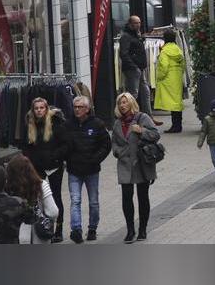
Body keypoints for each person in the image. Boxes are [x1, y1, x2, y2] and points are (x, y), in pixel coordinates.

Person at [111, 91, 162, 243]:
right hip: (125, 163)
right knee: (126, 198)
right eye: (120, 103)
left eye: (125, 102)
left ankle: (142, 229)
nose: (122, 105)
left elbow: (155, 134)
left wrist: (142, 131)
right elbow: (114, 141)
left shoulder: (142, 117)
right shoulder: (117, 122)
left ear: (131, 103)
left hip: (141, 163)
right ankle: (130, 230)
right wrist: (117, 152)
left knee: (142, 197)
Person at [64, 94, 111, 244]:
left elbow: (106, 145)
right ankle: (76, 230)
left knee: (93, 202)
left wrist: (96, 159)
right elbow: (63, 144)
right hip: (74, 170)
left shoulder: (97, 124)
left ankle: (92, 228)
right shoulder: (68, 124)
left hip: (91, 170)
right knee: (75, 200)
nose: (77, 110)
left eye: (80, 107)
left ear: (87, 108)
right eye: (75, 107)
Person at [21, 96, 69, 242]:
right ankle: (43, 227)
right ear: (33, 110)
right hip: (37, 168)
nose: (39, 110)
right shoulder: (29, 124)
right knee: (39, 199)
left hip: (54, 166)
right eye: (36, 108)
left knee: (56, 197)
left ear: (46, 109)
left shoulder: (56, 122)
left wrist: (56, 157)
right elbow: (26, 147)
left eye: (42, 108)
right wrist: (30, 162)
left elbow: (66, 144)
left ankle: (58, 230)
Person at [4, 155, 58, 244]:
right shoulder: (41, 185)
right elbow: (53, 212)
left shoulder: (8, 189)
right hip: (39, 237)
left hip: (15, 237)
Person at [118, 15, 156, 119]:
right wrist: (134, 67)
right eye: (136, 23)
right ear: (130, 24)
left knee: (145, 92)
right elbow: (123, 54)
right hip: (132, 69)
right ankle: (129, 117)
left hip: (139, 68)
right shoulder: (126, 36)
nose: (138, 25)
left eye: (139, 23)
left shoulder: (136, 34)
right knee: (133, 94)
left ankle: (149, 117)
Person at [154, 29, 185, 133]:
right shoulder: (178, 50)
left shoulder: (164, 51)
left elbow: (164, 66)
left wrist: (159, 77)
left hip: (167, 79)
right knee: (177, 103)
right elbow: (183, 65)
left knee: (172, 104)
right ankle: (178, 125)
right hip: (177, 78)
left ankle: (175, 126)